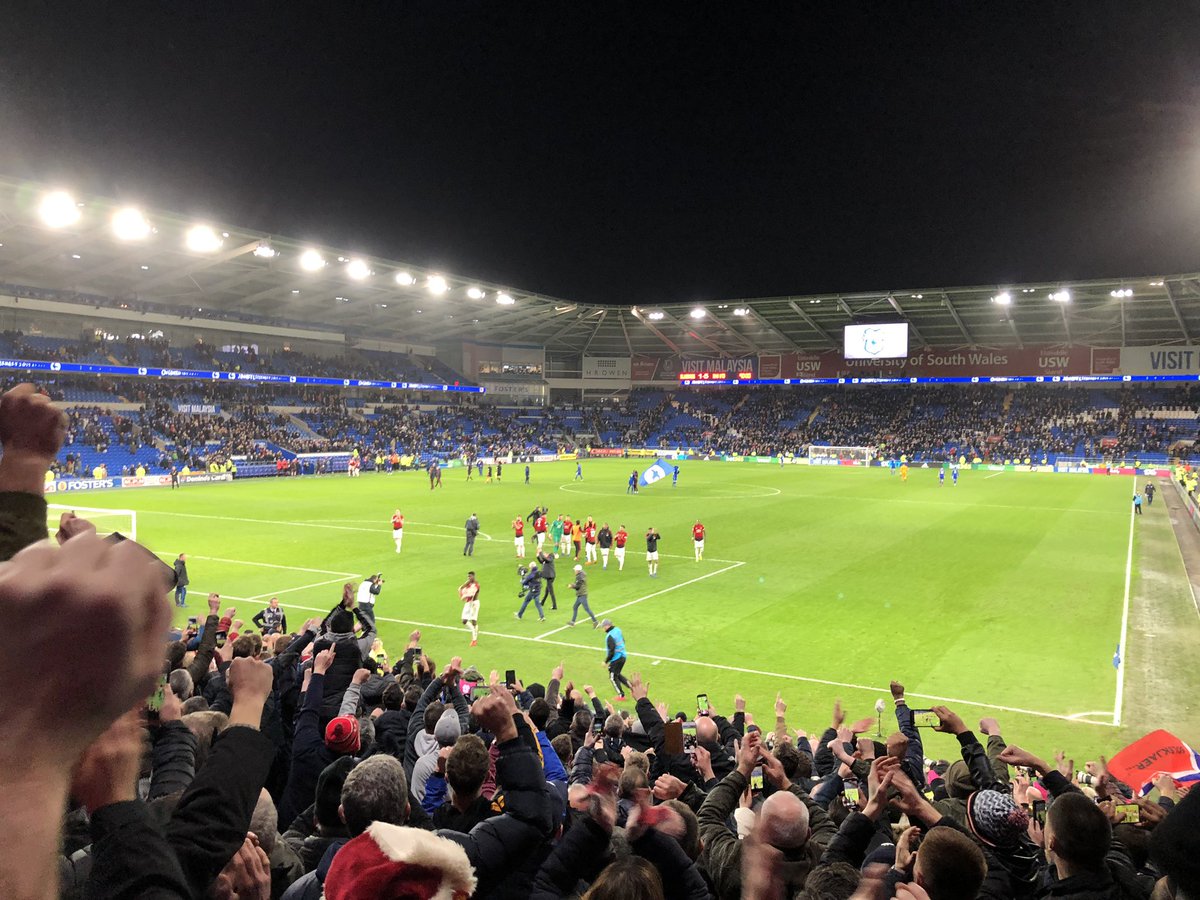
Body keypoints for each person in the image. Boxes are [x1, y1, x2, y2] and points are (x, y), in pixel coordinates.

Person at [601, 618, 631, 700]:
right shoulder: (618, 630)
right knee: (617, 674)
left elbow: (611, 651)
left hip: (616, 658)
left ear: (607, 626)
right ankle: (632, 687)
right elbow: (623, 641)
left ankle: (621, 696)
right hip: (623, 656)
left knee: (613, 677)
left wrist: (605, 661)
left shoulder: (610, 636)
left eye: (603, 626)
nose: (603, 628)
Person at [568, 564, 599, 628]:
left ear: (577, 570)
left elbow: (578, 586)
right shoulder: (582, 575)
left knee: (587, 609)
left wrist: (571, 586)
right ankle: (572, 622)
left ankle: (595, 622)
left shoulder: (579, 577)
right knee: (575, 607)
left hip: (582, 595)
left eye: (575, 570)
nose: (574, 571)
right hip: (581, 594)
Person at [459, 571, 480, 646]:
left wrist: (463, 596)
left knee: (473, 620)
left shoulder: (476, 585)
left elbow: (471, 595)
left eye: (470, 576)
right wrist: (461, 590)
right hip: (468, 604)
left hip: (474, 604)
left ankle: (474, 640)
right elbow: (460, 588)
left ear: (474, 576)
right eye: (468, 576)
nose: (469, 578)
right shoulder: (468, 583)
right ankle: (475, 629)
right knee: (464, 621)